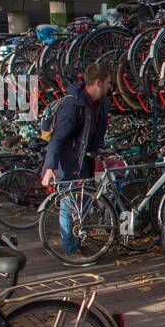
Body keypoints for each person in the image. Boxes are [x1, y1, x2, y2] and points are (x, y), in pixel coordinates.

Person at [42, 63, 112, 255]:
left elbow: (97, 131)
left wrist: (100, 149)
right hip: (70, 160)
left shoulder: (102, 102)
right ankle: (70, 247)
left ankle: (79, 240)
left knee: (82, 203)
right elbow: (58, 137)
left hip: (86, 158)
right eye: (107, 83)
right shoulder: (73, 104)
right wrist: (50, 167)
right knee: (67, 204)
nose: (109, 87)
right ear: (97, 83)